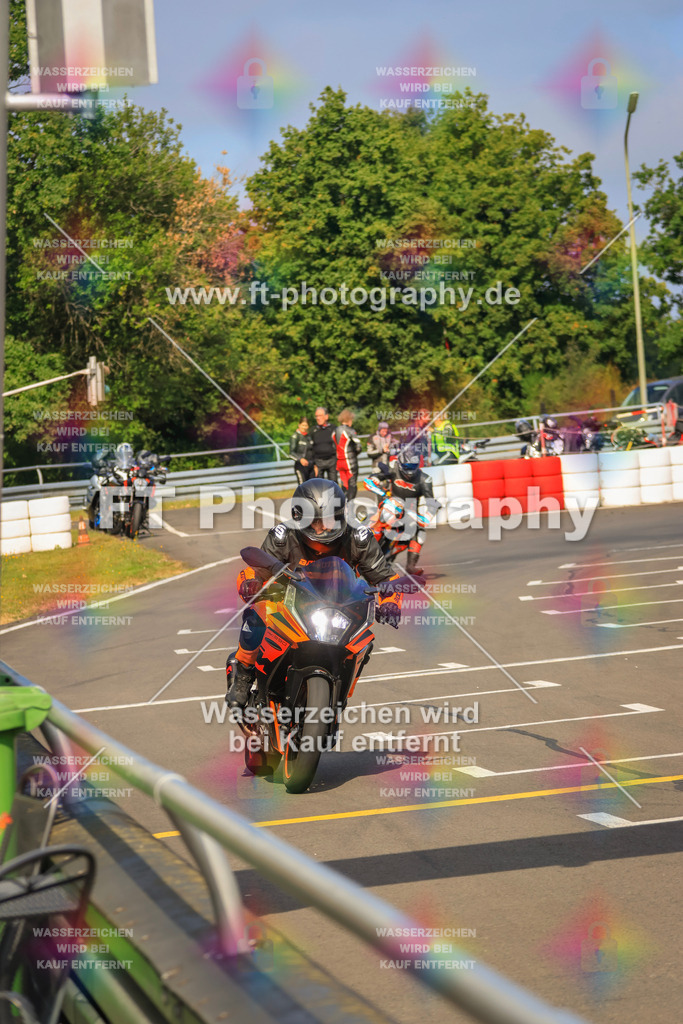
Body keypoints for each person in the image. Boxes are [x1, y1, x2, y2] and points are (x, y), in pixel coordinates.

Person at [225, 478, 422, 708]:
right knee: (258, 611)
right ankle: (244, 672)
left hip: (339, 606)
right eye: (316, 521)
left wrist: (391, 603)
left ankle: (340, 693)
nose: (324, 527)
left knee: (365, 640)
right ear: (300, 517)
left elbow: (386, 578)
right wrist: (251, 584)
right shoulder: (283, 535)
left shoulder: (358, 537)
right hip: (289, 602)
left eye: (330, 518)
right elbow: (257, 569)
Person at [369, 446, 439, 573]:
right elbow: (372, 479)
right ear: (401, 463)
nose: (410, 471)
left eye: (413, 466)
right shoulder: (393, 467)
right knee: (375, 523)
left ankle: (410, 566)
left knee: (420, 534)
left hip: (409, 513)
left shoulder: (424, 479)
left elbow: (431, 502)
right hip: (390, 505)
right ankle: (366, 549)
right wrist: (377, 481)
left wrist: (427, 516)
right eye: (407, 466)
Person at [334, 409, 362, 500]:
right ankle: (350, 505)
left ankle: (342, 505)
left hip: (339, 462)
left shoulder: (335, 431)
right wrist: (354, 454)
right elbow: (359, 447)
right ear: (349, 419)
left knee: (344, 484)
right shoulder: (350, 430)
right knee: (352, 484)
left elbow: (333, 446)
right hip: (349, 461)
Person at [310, 406, 337, 480]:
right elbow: (310, 448)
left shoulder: (333, 429)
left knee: (333, 483)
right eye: (316, 416)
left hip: (332, 461)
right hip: (318, 462)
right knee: (319, 484)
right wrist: (313, 464)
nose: (318, 418)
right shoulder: (312, 431)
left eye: (320, 416)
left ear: (326, 416)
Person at [289, 417, 314, 484]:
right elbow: (291, 453)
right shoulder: (295, 436)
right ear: (299, 425)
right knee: (303, 487)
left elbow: (313, 451)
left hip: (311, 465)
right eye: (303, 425)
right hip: (300, 467)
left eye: (306, 425)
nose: (304, 427)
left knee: (312, 486)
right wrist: (300, 459)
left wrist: (314, 464)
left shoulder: (309, 436)